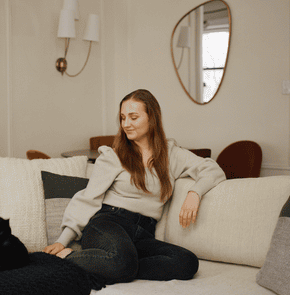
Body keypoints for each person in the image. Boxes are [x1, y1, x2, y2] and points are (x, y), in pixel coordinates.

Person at [43, 89, 226, 285]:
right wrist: (62, 240)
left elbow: (212, 169)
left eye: (133, 117)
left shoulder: (171, 154)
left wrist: (194, 193)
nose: (126, 124)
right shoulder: (113, 156)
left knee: (186, 262)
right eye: (122, 118)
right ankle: (67, 258)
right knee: (122, 261)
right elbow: (89, 198)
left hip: (142, 233)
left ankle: (114, 265)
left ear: (152, 118)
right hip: (108, 224)